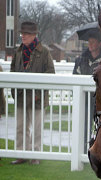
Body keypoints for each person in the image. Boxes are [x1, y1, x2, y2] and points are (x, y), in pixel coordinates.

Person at [10, 21, 55, 165]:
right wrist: (14, 92)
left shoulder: (44, 51)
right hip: (21, 97)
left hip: (37, 98)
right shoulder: (18, 52)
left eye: (26, 34)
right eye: (22, 33)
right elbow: (12, 73)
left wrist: (39, 93)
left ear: (34, 35)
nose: (23, 36)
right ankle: (21, 154)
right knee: (20, 128)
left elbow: (50, 73)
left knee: (37, 129)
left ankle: (36, 155)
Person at [73, 30, 101, 152]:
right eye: (89, 42)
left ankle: (98, 151)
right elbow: (74, 77)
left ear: (99, 44)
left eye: (92, 42)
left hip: (100, 100)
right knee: (83, 127)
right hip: (84, 100)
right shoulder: (81, 59)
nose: (90, 45)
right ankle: (82, 151)